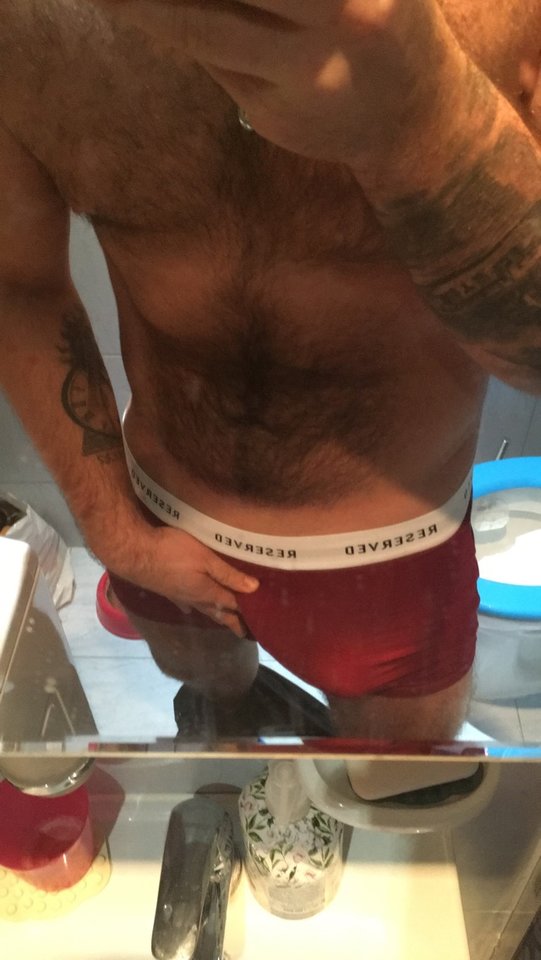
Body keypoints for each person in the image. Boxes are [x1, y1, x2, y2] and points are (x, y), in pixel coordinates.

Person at [1, 0, 540, 743]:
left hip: (392, 551)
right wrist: (116, 534)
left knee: (392, 778)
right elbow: (21, 288)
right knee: (212, 698)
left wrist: (423, 116)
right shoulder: (26, 22)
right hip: (159, 518)